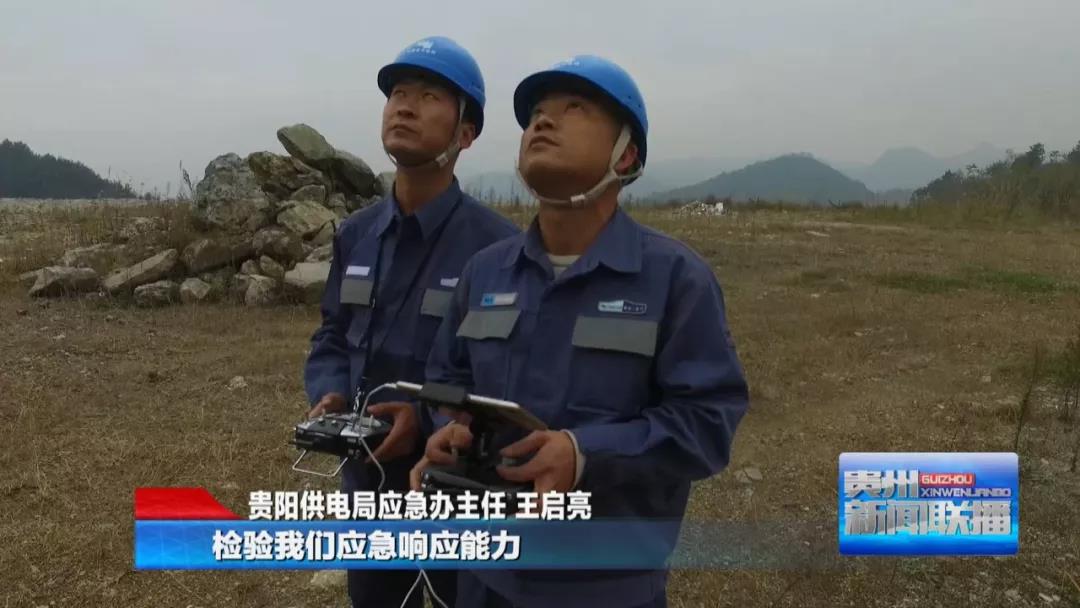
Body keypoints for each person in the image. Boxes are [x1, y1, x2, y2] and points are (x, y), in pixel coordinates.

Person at [411, 55, 750, 608]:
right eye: (535, 115)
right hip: (485, 576)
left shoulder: (675, 278)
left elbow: (706, 424)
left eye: (575, 108)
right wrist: (451, 427)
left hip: (606, 586)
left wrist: (584, 454)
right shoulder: (485, 272)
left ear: (627, 154)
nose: (543, 121)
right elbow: (448, 379)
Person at [303, 36, 520, 608]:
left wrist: (424, 418)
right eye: (398, 93)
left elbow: (502, 373)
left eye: (428, 97)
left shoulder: (498, 250)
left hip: (457, 485)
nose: (404, 107)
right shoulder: (357, 234)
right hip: (367, 479)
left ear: (465, 133)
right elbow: (332, 333)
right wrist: (329, 393)